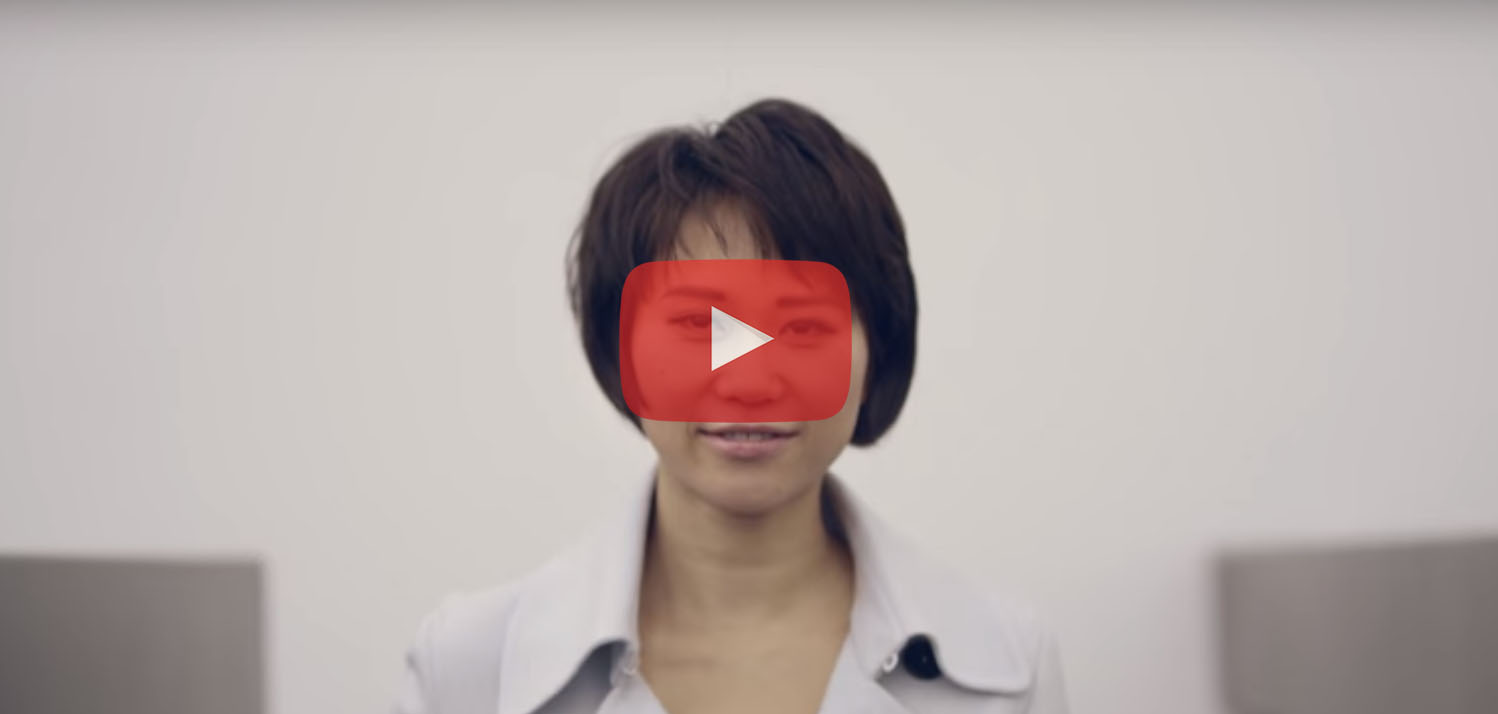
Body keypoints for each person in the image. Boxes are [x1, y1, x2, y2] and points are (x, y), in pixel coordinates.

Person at [395, 98, 1069, 714]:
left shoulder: (1007, 662)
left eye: (802, 326)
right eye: (699, 325)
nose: (748, 380)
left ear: (877, 353)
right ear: (620, 351)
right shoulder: (469, 668)